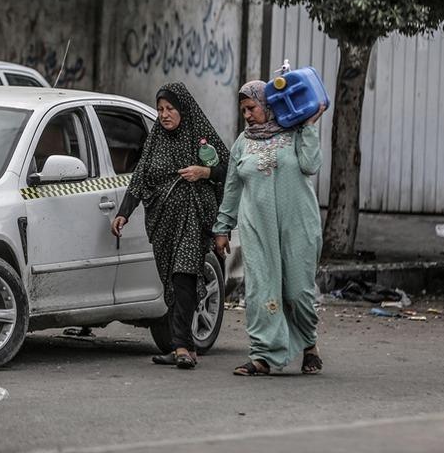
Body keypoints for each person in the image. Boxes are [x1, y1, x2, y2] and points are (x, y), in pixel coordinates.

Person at [111, 83, 229, 370]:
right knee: (173, 283)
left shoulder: (200, 136)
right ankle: (185, 346)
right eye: (160, 109)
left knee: (183, 275)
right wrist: (123, 213)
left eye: (170, 109)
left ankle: (180, 346)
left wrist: (204, 171)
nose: (164, 115)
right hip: (163, 222)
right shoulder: (156, 140)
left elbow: (228, 167)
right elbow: (140, 178)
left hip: (193, 215)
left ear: (183, 110)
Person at [213, 80, 326, 376]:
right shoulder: (242, 142)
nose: (247, 115)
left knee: (298, 291)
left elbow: (311, 164)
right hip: (257, 227)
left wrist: (311, 125)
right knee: (261, 290)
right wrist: (222, 228)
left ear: (268, 105)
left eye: (251, 108)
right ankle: (263, 354)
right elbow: (232, 188)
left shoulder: (294, 133)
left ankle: (310, 344)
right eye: (244, 110)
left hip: (297, 223)